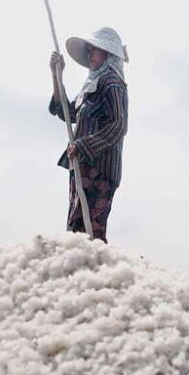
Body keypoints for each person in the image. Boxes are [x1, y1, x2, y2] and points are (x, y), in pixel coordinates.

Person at [49, 27, 129, 243]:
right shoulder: (91, 85)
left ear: (108, 53)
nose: (90, 55)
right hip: (81, 166)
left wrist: (84, 146)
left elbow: (118, 125)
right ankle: (78, 273)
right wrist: (57, 76)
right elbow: (66, 111)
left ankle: (99, 273)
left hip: (99, 169)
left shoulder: (112, 83)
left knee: (92, 229)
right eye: (89, 51)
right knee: (77, 226)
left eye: (94, 50)